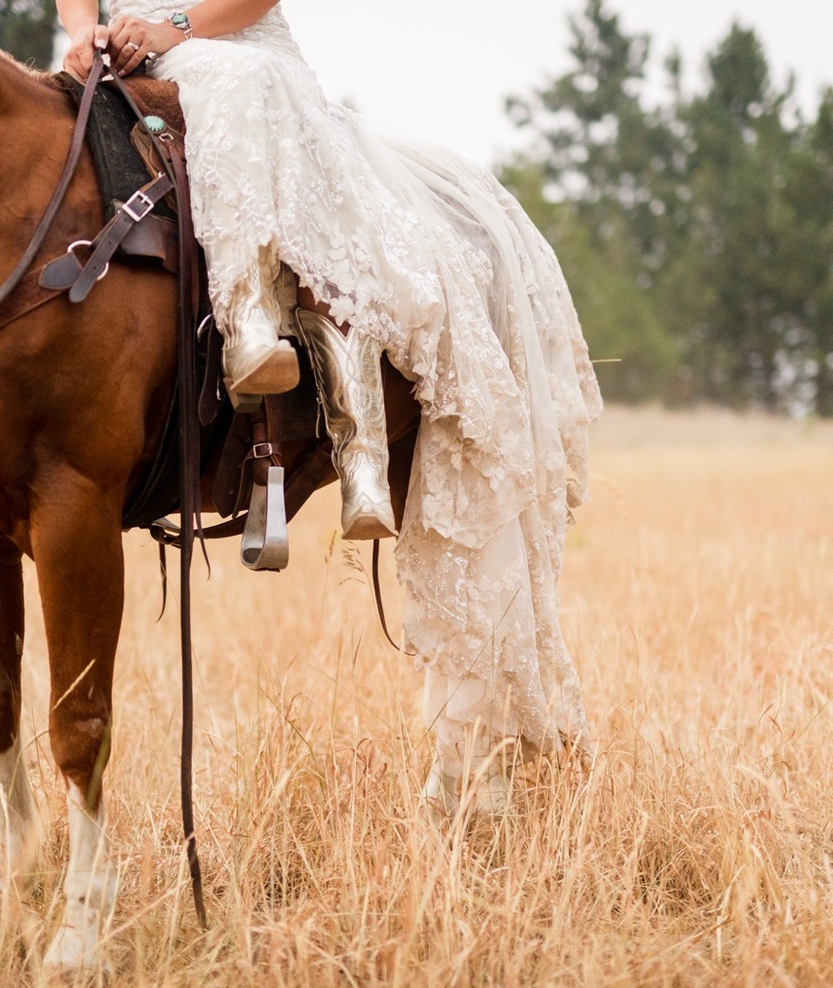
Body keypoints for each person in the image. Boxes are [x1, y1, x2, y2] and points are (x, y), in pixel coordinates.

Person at [57, 0, 603, 815]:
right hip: (112, 57)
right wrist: (82, 31)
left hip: (225, 47)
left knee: (241, 88)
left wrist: (172, 28)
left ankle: (264, 330)